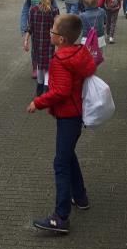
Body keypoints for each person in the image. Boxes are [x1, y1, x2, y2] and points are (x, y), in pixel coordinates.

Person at [27, 14, 96, 234]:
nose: (50, 33)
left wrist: (37, 102)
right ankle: (81, 197)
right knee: (68, 155)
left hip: (68, 116)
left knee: (60, 164)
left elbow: (61, 92)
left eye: (53, 31)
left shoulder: (60, 61)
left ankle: (61, 217)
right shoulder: (79, 52)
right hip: (75, 116)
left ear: (62, 40)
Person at [24, 0, 59, 95]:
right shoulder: (54, 11)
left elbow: (30, 28)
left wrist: (26, 41)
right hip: (49, 43)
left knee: (39, 64)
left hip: (37, 44)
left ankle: (39, 89)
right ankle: (46, 88)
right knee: (48, 66)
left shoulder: (33, 10)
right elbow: (57, 29)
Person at [20, 0, 57, 78]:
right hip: (35, 25)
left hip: (48, 25)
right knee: (35, 48)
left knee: (49, 47)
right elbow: (25, 9)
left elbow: (55, 8)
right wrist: (23, 26)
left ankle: (48, 66)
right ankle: (35, 68)